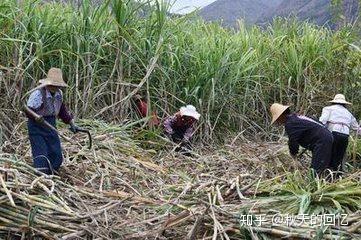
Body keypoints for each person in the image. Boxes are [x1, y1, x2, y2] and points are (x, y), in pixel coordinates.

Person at [25, 68, 80, 175]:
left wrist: (71, 123)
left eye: (56, 85)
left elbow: (62, 110)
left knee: (56, 155)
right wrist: (36, 117)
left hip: (51, 125)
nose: (54, 87)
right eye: (52, 84)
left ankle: (51, 173)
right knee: (41, 154)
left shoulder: (59, 94)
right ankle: (41, 174)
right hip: (37, 126)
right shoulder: (38, 93)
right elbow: (28, 110)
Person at [270, 103, 334, 176]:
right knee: (321, 164)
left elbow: (293, 141)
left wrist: (293, 153)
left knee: (316, 169)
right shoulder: (297, 117)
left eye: (278, 119)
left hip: (322, 141)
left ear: (281, 116)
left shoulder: (290, 123)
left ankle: (314, 184)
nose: (278, 121)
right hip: (325, 137)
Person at [319, 94, 361, 172]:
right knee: (339, 156)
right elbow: (357, 128)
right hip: (345, 136)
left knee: (329, 154)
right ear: (344, 104)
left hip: (333, 133)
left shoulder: (328, 109)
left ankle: (326, 173)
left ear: (334, 102)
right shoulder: (348, 113)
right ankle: (336, 174)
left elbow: (322, 122)